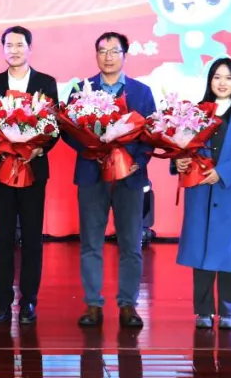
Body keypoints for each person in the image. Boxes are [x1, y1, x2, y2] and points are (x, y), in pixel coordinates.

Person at [63, 32, 156, 328]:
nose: (108, 57)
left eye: (114, 51)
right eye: (102, 51)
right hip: (92, 175)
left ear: (125, 55)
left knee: (131, 244)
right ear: (96, 55)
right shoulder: (81, 90)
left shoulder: (141, 92)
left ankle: (128, 305)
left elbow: (151, 134)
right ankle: (93, 305)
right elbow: (68, 130)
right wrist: (92, 149)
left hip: (129, 177)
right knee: (91, 243)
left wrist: (135, 162)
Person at [174, 57, 231, 330]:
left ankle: (228, 311)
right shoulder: (196, 112)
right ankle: (203, 311)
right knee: (200, 253)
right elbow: (180, 146)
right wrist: (178, 162)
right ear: (209, 81)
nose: (222, 83)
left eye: (228, 77)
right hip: (200, 191)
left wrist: (223, 173)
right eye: (216, 77)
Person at [0, 26, 59, 325]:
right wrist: (3, 147)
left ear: (29, 48)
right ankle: (2, 302)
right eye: (8, 45)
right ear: (2, 49)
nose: (13, 50)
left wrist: (38, 149)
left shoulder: (45, 83)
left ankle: (28, 301)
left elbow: (54, 126)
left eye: (19, 45)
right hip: (1, 169)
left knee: (31, 237)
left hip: (33, 170)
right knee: (2, 237)